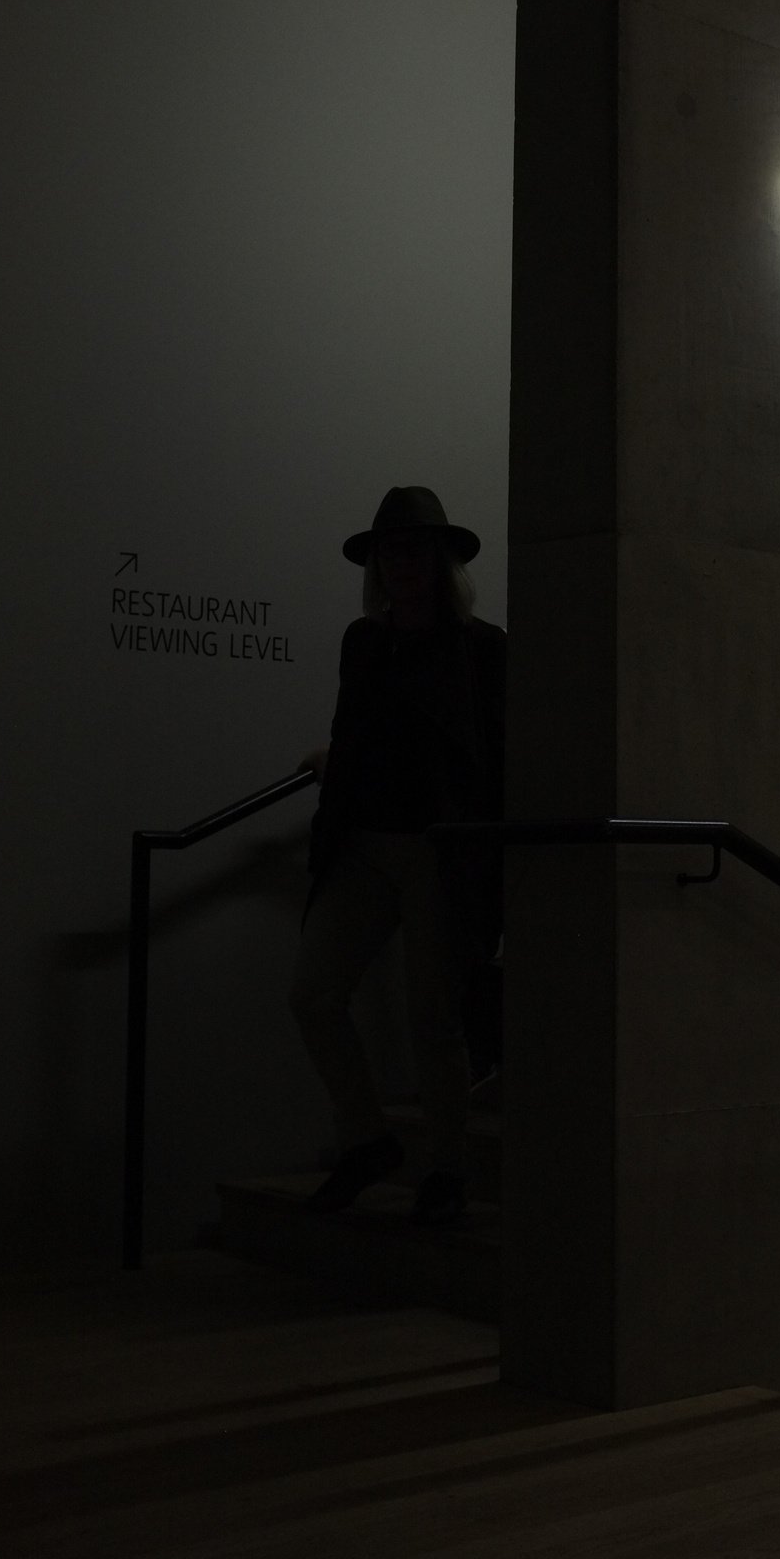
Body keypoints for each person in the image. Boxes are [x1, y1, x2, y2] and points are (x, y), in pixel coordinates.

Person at [288, 486, 505, 1225]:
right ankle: (368, 1140)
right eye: (391, 551)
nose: (401, 563)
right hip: (368, 844)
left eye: (414, 550)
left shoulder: (482, 649)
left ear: (441, 562)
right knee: (314, 992)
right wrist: (334, 763)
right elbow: (358, 732)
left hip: (442, 852)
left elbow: (493, 762)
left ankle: (445, 1168)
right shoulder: (365, 640)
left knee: (434, 1016)